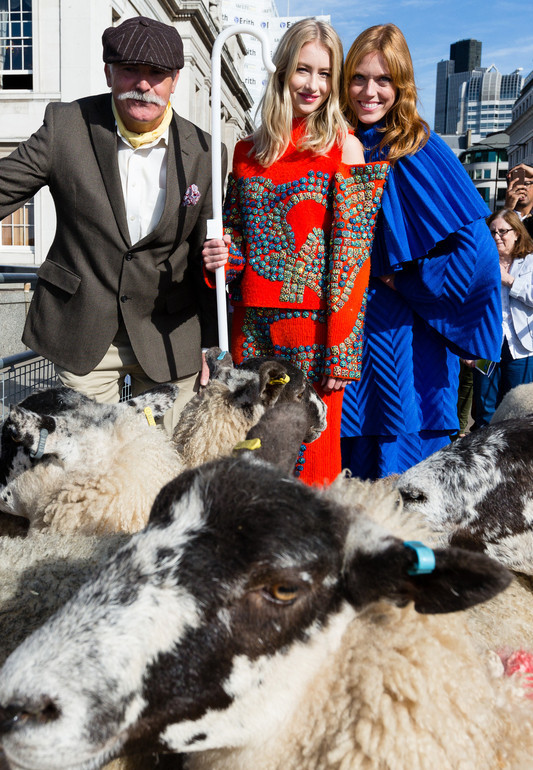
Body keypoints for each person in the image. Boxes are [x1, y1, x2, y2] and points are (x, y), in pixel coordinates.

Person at [0, 16, 224, 432]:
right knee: (86, 471)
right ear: (109, 73)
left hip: (169, 336)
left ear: (175, 80)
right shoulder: (65, 126)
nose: (143, 84)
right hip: (82, 331)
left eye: (156, 74)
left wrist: (209, 346)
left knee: (162, 466)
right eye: (130, 70)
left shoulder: (207, 153)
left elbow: (203, 255)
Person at [203, 18, 389, 485]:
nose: (313, 85)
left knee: (312, 464)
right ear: (282, 69)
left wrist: (340, 354)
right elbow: (238, 242)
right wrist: (223, 257)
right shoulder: (246, 151)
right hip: (250, 334)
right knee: (248, 451)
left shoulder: (344, 147)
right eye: (304, 70)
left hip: (315, 334)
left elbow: (352, 261)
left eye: (326, 74)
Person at [339, 23, 502, 480]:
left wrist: (404, 279)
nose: (369, 92)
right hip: (343, 341)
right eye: (359, 78)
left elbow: (478, 259)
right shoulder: (334, 141)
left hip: (406, 350)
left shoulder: (418, 148)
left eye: (383, 80)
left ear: (402, 85)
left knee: (403, 495)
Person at [472, 210, 533, 426]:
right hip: (485, 348)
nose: (497, 236)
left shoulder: (530, 262)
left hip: (522, 349)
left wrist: (509, 280)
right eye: (492, 232)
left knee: (518, 411)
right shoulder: (480, 264)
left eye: (503, 231)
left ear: (517, 233)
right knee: (484, 409)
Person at [505, 163, 533, 239]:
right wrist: (507, 210)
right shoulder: (499, 218)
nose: (521, 188)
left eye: (526, 184)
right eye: (515, 184)